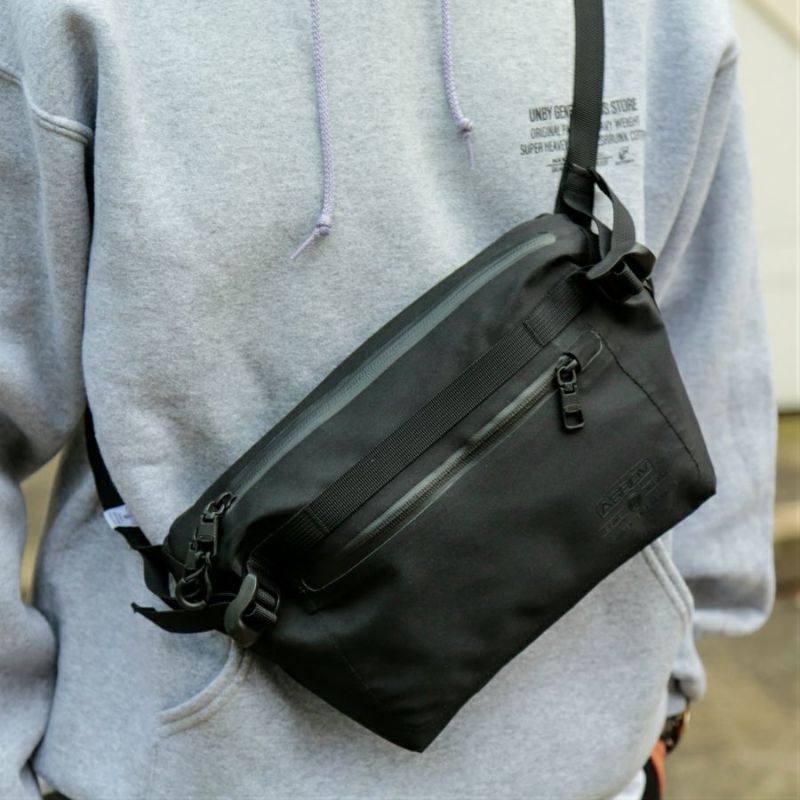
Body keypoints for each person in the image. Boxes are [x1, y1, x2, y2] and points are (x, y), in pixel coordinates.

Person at [0, 1, 776, 798]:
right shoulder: (73, 18)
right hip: (196, 775)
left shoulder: (662, 13)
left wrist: (668, 688)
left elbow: (702, 324)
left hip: (597, 766)